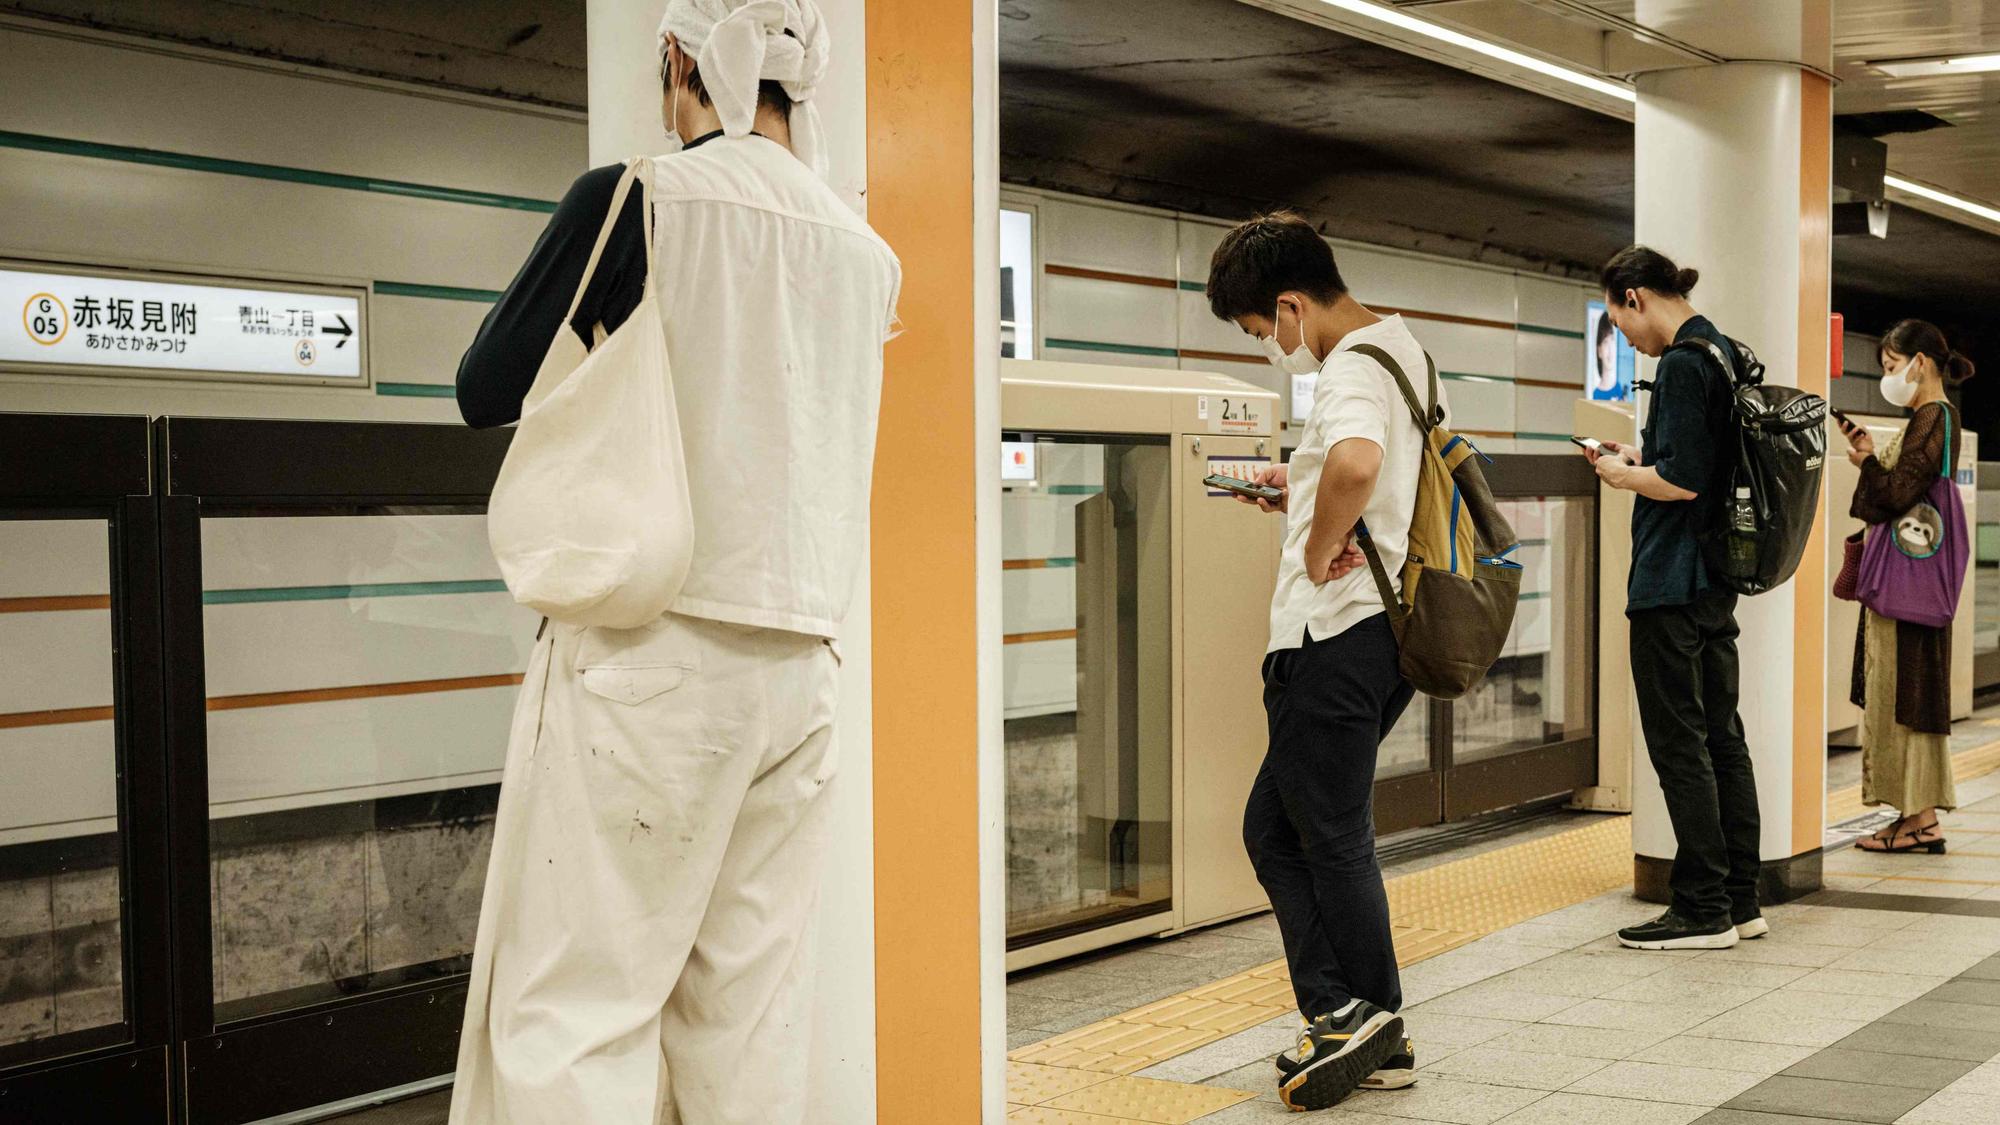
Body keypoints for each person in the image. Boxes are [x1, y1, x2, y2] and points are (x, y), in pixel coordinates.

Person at [447, 2, 901, 1122]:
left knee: (577, 1010)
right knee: (745, 1020)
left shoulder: (638, 196)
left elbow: (483, 388)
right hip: (800, 671)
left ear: (677, 60)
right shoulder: (865, 252)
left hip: (650, 658)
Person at [1208, 212, 1431, 1111]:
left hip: (1332, 634)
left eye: (1265, 329)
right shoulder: (1402, 345)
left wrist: (1313, 548)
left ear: (1293, 304)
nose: (1272, 347)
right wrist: (1298, 498)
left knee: (1323, 833)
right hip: (1381, 631)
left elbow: (1355, 461)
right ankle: (1356, 1018)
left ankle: (1368, 1018)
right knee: (1280, 826)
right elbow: (1358, 470)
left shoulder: (1345, 366)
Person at [1586, 245, 1766, 952]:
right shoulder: (1721, 351)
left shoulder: (1685, 363)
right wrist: (1640, 460)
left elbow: (1686, 480)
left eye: (1618, 321)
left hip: (1672, 578)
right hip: (1714, 578)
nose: (1626, 338)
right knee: (1722, 738)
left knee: (1679, 743)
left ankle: (1700, 907)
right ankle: (1740, 897)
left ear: (1636, 296)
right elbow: (1699, 464)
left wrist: (1619, 475)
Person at [1842, 320, 1973, 854]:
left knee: (1905, 693)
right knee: (1907, 695)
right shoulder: (1930, 419)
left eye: (1893, 367)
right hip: (1908, 584)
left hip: (1909, 588)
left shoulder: (1932, 417)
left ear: (1920, 362)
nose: (1889, 378)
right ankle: (1916, 816)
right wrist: (1870, 456)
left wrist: (1868, 461)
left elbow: (1895, 495)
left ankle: (1919, 819)